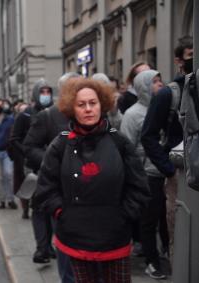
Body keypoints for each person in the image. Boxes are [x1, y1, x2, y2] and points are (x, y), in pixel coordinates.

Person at [32, 77, 150, 283]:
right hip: (76, 238)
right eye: (81, 104)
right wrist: (63, 214)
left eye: (92, 103)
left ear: (101, 104)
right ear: (72, 108)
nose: (88, 109)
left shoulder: (119, 141)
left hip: (115, 237)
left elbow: (139, 186)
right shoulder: (60, 144)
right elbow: (45, 188)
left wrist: (124, 215)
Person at [141, 35, 193, 262]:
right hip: (179, 176)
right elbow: (148, 136)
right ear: (179, 61)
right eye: (191, 55)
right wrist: (169, 170)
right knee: (180, 236)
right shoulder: (167, 94)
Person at [23, 73, 78, 280]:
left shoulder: (89, 112)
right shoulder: (48, 116)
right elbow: (29, 146)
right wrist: (51, 159)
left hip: (86, 191)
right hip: (57, 188)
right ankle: (45, 249)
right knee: (64, 239)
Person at [120, 70, 167, 279]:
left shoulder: (166, 107)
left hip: (167, 171)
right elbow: (127, 148)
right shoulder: (132, 114)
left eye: (159, 80)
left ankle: (167, 251)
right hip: (147, 173)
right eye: (154, 82)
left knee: (166, 218)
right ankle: (151, 261)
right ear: (143, 86)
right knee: (149, 220)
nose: (159, 84)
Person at [9, 79, 54, 220]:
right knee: (31, 188)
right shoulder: (25, 115)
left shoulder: (55, 112)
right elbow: (14, 138)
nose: (45, 95)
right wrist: (26, 152)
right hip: (30, 162)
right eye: (42, 92)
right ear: (36, 94)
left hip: (50, 159)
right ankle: (27, 209)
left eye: (48, 92)